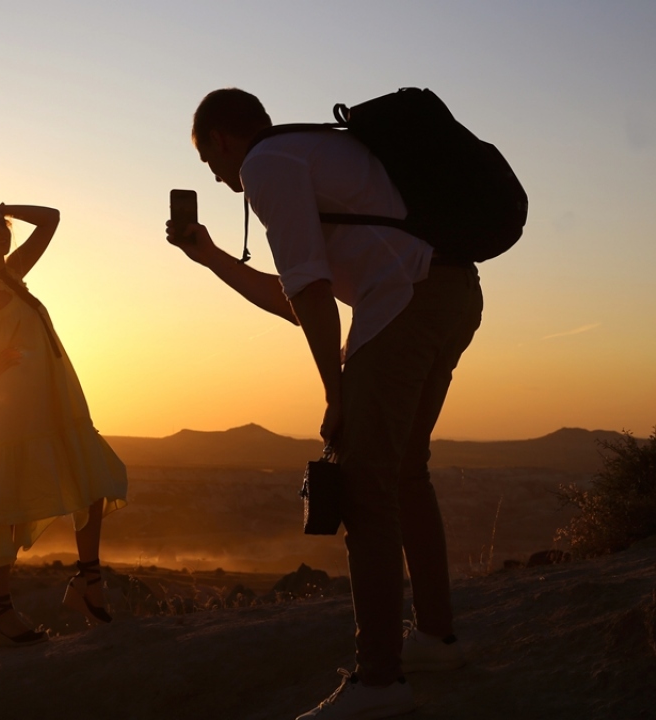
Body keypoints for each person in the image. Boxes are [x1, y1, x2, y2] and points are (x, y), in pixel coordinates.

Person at [168, 89, 483, 719]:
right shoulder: (312, 150)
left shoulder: (265, 163)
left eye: (209, 162)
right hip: (451, 292)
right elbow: (297, 298)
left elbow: (310, 290)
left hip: (405, 301)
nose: (219, 178)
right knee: (405, 472)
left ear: (221, 140)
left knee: (365, 490)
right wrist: (210, 257)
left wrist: (335, 396)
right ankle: (435, 639)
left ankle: (379, 682)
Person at [0, 199, 127, 648]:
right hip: (8, 409)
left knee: (90, 479)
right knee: (8, 506)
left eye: (3, 225)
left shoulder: (11, 275)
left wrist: (3, 206)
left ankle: (87, 581)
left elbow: (51, 218)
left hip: (52, 400)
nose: (1, 231)